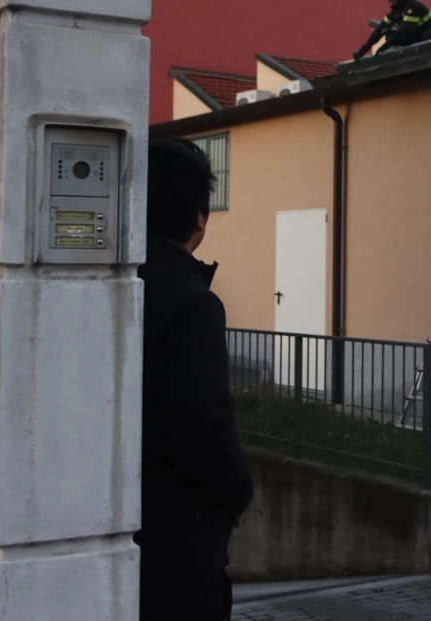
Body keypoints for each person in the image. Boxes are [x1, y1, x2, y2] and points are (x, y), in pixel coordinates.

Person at [137, 137, 254, 620]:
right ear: (199, 219)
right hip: (182, 547)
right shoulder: (194, 304)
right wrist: (237, 491)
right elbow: (204, 428)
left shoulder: (112, 284)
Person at [353, 0, 431, 60]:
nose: (389, 1)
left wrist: (384, 46)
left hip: (429, 37)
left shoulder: (412, 8)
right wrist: (362, 51)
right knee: (390, 35)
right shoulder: (395, 11)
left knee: (396, 38)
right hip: (415, 37)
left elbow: (404, 31)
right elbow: (379, 30)